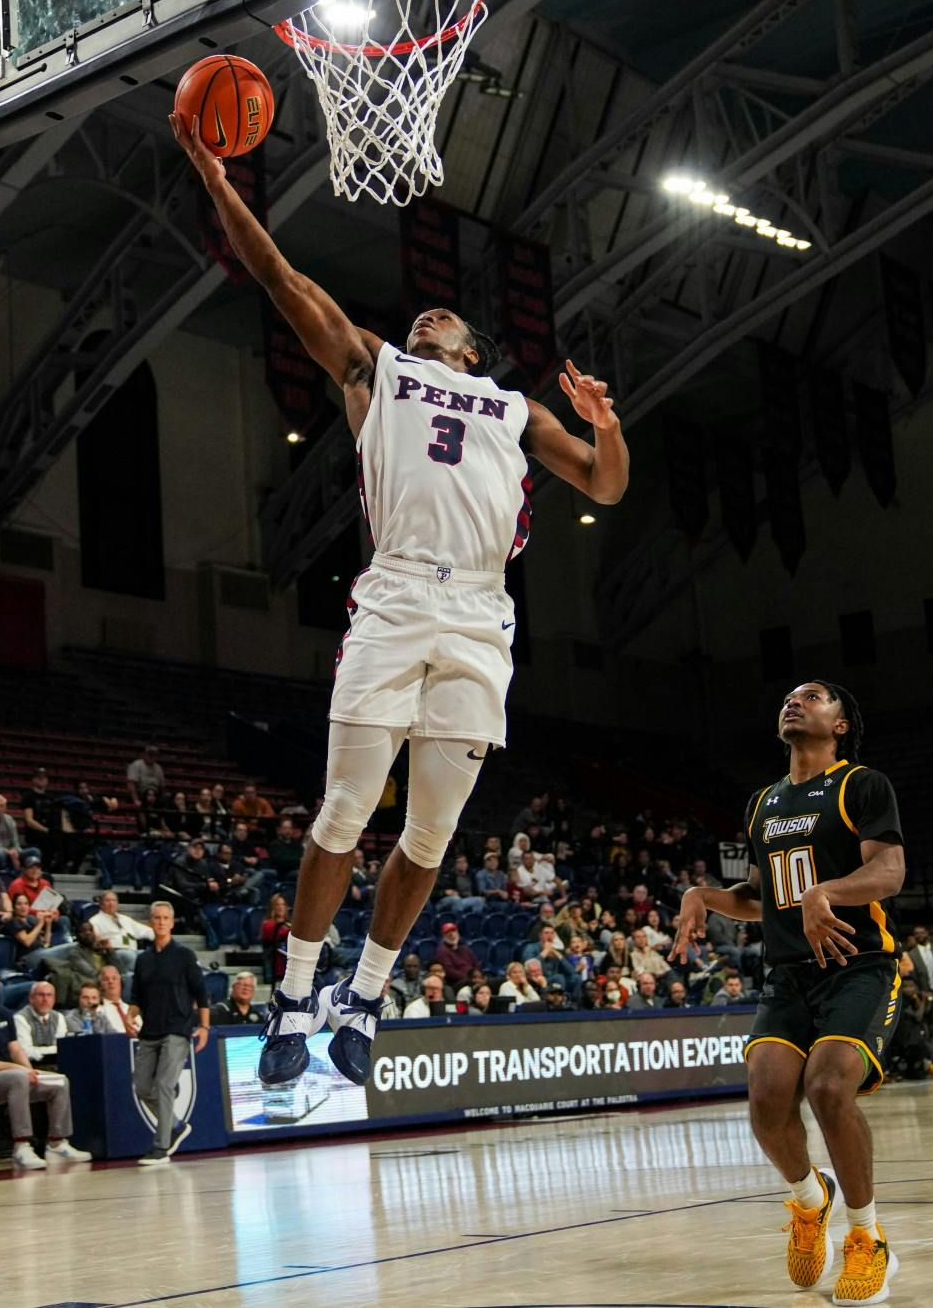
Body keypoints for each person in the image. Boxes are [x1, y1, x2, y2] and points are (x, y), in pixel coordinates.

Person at [172, 112, 631, 1093]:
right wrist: (215, 178)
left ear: (472, 351)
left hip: (479, 614)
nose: (427, 317)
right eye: (421, 315)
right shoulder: (374, 368)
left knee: (429, 836)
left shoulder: (516, 410)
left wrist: (607, 424)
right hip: (395, 594)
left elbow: (605, 483)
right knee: (342, 810)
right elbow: (281, 280)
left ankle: (367, 993)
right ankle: (296, 991)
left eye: (444, 319)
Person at [673, 680, 905, 1305]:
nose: (794, 702)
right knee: (767, 1098)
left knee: (828, 1088)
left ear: (841, 725)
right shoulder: (764, 802)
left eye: (813, 697)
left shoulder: (862, 785)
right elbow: (758, 898)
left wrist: (826, 892)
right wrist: (701, 897)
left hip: (859, 965)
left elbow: (889, 872)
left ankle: (867, 1237)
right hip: (789, 975)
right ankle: (810, 1199)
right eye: (789, 697)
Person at [0, 968, 90, 1170]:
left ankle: (57, 1143)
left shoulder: (3, 1013)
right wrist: (19, 1070)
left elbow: (15, 1050)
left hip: (7, 1079)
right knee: (17, 1077)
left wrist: (30, 1070)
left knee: (59, 1081)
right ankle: (21, 1147)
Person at [130, 902, 210, 1166]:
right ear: (150, 922)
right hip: (149, 1030)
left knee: (164, 1084)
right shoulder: (143, 959)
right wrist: (129, 1016)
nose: (161, 922)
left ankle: (161, 1146)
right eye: (157, 917)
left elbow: (201, 993)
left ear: (172, 923)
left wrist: (204, 1027)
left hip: (177, 1029)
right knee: (142, 1087)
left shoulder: (185, 955)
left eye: (166, 918)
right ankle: (175, 1126)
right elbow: (136, 997)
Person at [86, 890, 152, 974]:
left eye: (114, 900)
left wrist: (161, 936)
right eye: (108, 900)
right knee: (129, 956)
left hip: (133, 950)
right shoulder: (94, 921)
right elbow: (92, 941)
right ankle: (130, 977)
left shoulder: (125, 919)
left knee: (147, 955)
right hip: (113, 952)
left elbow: (146, 931)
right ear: (101, 904)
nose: (111, 903)